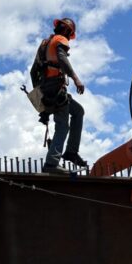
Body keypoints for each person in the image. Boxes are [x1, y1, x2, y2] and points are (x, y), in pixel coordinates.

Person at [34, 17, 87, 174]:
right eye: (70, 34)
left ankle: (71, 151)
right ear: (68, 31)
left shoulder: (44, 45)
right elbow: (62, 58)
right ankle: (51, 163)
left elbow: (33, 72)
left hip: (46, 89)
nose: (69, 38)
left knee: (78, 111)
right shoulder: (60, 39)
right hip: (56, 89)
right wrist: (76, 79)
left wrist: (40, 104)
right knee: (62, 125)